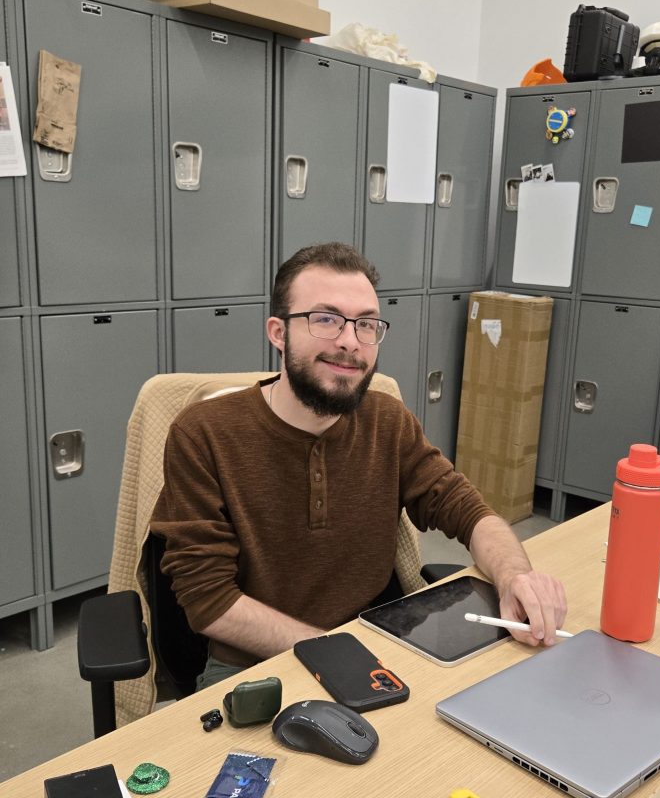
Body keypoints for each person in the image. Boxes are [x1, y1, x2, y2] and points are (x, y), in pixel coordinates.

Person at [151, 242, 567, 688]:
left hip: (378, 641)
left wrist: (515, 577)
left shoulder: (387, 421)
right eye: (326, 319)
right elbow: (209, 602)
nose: (350, 341)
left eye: (366, 324)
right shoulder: (204, 433)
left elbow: (466, 510)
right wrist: (336, 652)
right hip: (254, 666)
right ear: (278, 332)